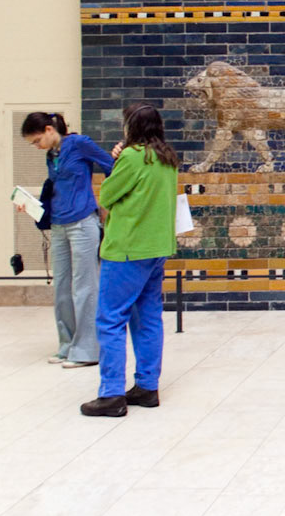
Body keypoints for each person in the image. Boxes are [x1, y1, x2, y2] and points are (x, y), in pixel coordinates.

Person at [81, 100, 178, 418]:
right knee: (148, 317)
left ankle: (111, 394)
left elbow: (107, 196)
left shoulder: (132, 158)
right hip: (157, 248)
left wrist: (117, 161)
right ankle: (147, 387)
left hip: (126, 250)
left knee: (110, 319)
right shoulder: (167, 158)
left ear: (131, 127)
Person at [20, 111, 114, 369]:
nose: (37, 146)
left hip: (83, 223)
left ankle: (87, 350)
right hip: (59, 225)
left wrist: (106, 203)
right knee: (62, 287)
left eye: (38, 140)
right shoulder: (51, 155)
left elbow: (111, 167)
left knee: (85, 287)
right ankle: (68, 345)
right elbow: (56, 188)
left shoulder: (79, 144)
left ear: (50, 130)